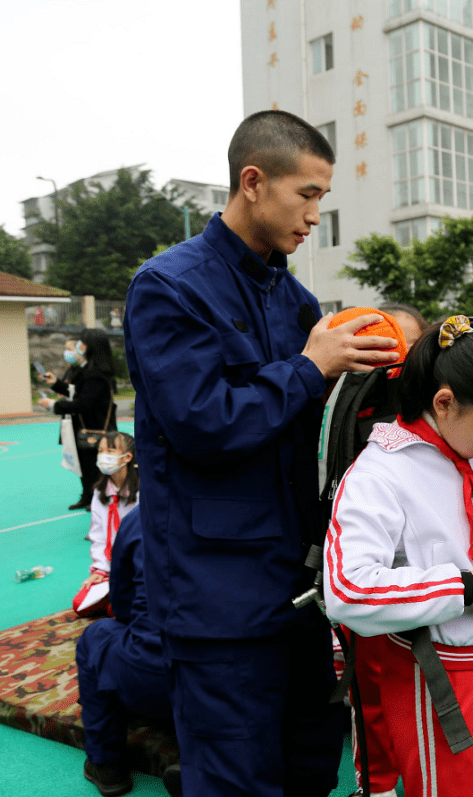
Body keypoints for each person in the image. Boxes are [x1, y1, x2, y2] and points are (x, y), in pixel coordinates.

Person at [124, 110, 402, 797]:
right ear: (253, 181)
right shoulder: (169, 286)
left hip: (299, 586)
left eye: (322, 198)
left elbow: (318, 432)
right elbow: (202, 423)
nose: (315, 214)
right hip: (216, 596)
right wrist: (310, 369)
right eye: (307, 194)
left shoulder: (299, 300)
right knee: (236, 779)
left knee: (311, 763)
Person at [323, 317, 473, 797]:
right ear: (444, 402)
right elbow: (347, 589)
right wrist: (465, 588)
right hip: (438, 675)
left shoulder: (472, 449)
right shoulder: (380, 472)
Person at [76, 507, 181, 797]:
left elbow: (121, 606)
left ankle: (106, 762)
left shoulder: (143, 516)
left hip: (158, 671)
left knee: (96, 636)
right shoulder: (265, 506)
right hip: (242, 674)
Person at [39, 330, 118, 510]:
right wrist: (56, 384)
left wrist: (53, 405)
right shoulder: (88, 370)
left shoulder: (96, 374)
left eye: (80, 343)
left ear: (89, 346)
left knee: (95, 466)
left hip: (94, 426)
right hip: (84, 426)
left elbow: (83, 403)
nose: (77, 347)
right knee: (84, 465)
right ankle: (88, 496)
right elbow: (75, 392)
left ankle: (99, 499)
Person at [72, 432, 140, 618]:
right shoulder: (100, 493)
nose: (103, 456)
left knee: (119, 609)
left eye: (110, 450)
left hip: (139, 566)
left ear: (127, 457)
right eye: (100, 451)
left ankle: (123, 599)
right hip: (113, 569)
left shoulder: (141, 492)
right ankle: (116, 596)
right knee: (80, 605)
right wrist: (100, 570)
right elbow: (99, 535)